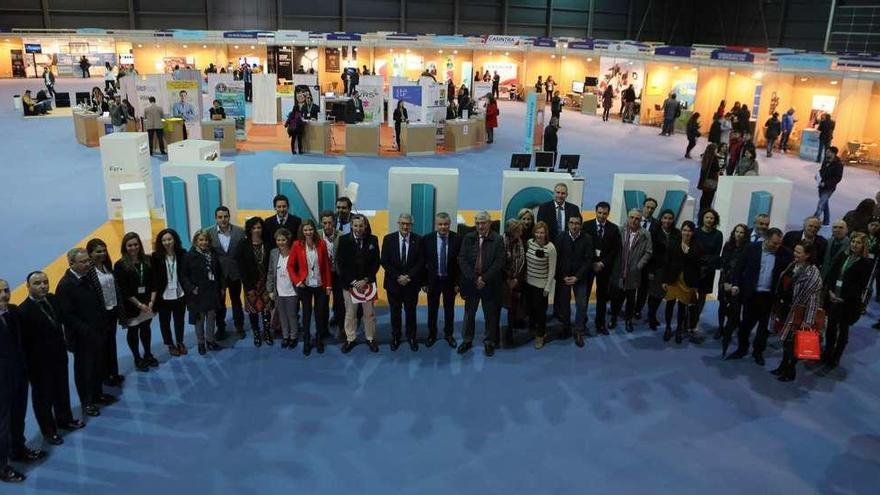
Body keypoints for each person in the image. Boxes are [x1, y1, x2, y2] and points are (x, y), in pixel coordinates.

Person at [19, 272, 86, 446]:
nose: (43, 286)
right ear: (28, 287)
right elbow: (23, 344)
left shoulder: (52, 299)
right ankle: (48, 431)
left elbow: (63, 319)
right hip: (39, 364)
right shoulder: (23, 311)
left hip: (58, 355)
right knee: (43, 398)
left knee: (62, 390)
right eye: (37, 283)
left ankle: (65, 419)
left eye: (45, 282)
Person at [726, 228, 792, 365]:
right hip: (751, 294)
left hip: (768, 296)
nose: (777, 246)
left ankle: (758, 352)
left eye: (779, 243)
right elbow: (739, 268)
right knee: (745, 325)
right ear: (766, 239)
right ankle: (742, 349)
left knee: (763, 328)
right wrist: (735, 284)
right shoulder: (752, 248)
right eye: (774, 243)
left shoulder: (784, 253)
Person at [1, 278, 44, 483]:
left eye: (6, 290)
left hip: (18, 375)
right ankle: (2, 468)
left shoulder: (13, 311)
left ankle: (17, 449)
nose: (4, 295)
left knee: (18, 417)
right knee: (2, 425)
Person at [55, 248, 108, 417]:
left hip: (96, 332)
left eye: (88, 261)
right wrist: (86, 330)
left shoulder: (87, 278)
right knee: (84, 370)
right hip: (81, 337)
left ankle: (97, 394)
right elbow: (65, 315)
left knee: (97, 365)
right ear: (72, 264)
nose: (87, 264)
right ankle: (87, 402)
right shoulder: (65, 286)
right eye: (83, 262)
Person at [772, 242, 823, 382]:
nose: (795, 254)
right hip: (786, 308)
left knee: (792, 343)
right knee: (785, 341)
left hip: (799, 314)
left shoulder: (813, 274)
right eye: (795, 251)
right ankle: (782, 366)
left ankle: (790, 370)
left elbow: (813, 300)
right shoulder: (793, 264)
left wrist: (807, 321)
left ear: (807, 255)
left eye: (799, 252)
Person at [822, 232, 873, 369]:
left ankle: (836, 357)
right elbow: (833, 273)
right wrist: (831, 291)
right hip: (834, 297)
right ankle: (827, 352)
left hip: (848, 302)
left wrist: (843, 298)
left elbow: (860, 286)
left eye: (858, 243)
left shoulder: (865, 263)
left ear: (863, 246)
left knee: (843, 331)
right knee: (831, 327)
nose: (854, 245)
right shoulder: (843, 255)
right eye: (853, 242)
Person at [458, 211, 505, 356]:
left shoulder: (497, 240)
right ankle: (467, 340)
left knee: (490, 314)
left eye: (483, 222)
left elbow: (499, 262)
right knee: (469, 314)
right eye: (477, 223)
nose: (480, 226)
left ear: (490, 223)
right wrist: (474, 278)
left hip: (489, 284)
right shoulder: (468, 237)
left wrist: (484, 279)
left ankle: (489, 342)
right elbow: (462, 259)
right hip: (471, 283)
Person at [336, 214, 380, 353]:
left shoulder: (373, 240)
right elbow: (341, 264)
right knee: (350, 313)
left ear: (365, 226)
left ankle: (370, 338)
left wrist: (366, 280)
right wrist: (354, 282)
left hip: (367, 283)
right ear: (351, 226)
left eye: (361, 225)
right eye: (355, 225)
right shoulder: (343, 240)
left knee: (369, 313)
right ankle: (350, 338)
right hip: (349, 285)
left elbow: (376, 263)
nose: (358, 228)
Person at [114, 233, 158, 372]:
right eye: (130, 245)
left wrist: (151, 301)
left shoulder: (148, 260)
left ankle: (148, 353)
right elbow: (124, 290)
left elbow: (154, 283)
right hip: (131, 306)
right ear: (125, 247)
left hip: (147, 303)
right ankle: (137, 357)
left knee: (146, 329)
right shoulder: (120, 265)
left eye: (136, 244)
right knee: (133, 332)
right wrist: (139, 305)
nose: (133, 247)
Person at [289, 220, 333, 355]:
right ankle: (307, 340)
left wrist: (329, 285)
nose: (308, 232)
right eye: (305, 230)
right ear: (302, 231)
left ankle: (319, 339)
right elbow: (290, 266)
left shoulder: (321, 244)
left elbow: (326, 265)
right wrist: (297, 281)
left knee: (320, 315)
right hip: (305, 286)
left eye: (310, 229)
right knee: (306, 315)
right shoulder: (297, 245)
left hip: (320, 285)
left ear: (314, 230)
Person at [381, 214, 423, 351]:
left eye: (408, 224)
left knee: (411, 312)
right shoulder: (388, 239)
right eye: (403, 223)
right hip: (394, 284)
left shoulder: (418, 240)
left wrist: (408, 277)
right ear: (398, 223)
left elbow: (421, 262)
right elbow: (384, 261)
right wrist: (398, 276)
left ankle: (411, 337)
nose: (405, 226)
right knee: (395, 312)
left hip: (411, 284)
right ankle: (395, 337)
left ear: (412, 225)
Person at [85, 239, 123, 388]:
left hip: (112, 310)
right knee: (101, 346)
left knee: (111, 343)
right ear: (90, 254)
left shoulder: (108, 267)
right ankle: (104, 375)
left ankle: (113, 372)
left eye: (103, 250)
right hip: (100, 314)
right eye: (98, 251)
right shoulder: (89, 272)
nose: (102, 254)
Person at [610, 209, 653, 332]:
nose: (634, 220)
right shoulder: (619, 230)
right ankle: (613, 318)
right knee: (615, 298)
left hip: (634, 274)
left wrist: (639, 265)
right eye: (632, 217)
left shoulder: (645, 234)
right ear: (628, 217)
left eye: (637, 218)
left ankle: (629, 320)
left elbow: (649, 252)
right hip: (619, 271)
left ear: (640, 220)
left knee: (630, 299)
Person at [422, 212, 461, 348]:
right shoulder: (427, 239)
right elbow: (423, 263)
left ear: (449, 224)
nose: (443, 227)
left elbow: (459, 264)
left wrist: (458, 283)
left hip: (450, 282)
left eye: (446, 224)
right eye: (440, 224)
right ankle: (432, 335)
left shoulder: (457, 239)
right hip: (433, 281)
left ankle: (448, 334)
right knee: (432, 310)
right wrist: (424, 282)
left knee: (449, 309)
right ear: (436, 225)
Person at [554, 215, 593, 347]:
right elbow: (557, 259)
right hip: (564, 278)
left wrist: (577, 277)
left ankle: (578, 331)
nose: (574, 226)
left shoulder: (587, 239)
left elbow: (588, 261)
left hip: (580, 278)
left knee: (581, 305)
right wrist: (563, 276)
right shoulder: (560, 237)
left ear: (581, 225)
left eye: (577, 223)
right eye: (571, 223)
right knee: (564, 305)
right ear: (568, 224)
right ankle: (566, 327)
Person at [207, 206, 245, 339]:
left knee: (236, 301)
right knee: (220, 303)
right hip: (218, 276)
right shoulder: (209, 233)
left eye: (225, 216)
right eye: (220, 217)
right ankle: (221, 328)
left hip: (235, 274)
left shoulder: (240, 232)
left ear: (229, 217)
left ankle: (239, 326)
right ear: (216, 218)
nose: (223, 219)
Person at [183, 230, 223, 355]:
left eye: (206, 240)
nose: (204, 242)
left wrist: (221, 287)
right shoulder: (189, 256)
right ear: (195, 241)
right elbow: (183, 276)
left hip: (212, 291)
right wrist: (191, 288)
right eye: (200, 240)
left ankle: (210, 341)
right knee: (199, 320)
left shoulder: (213, 253)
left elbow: (219, 271)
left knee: (211, 317)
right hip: (197, 293)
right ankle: (201, 343)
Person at [662, 221, 702, 343]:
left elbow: (698, 267)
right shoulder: (673, 243)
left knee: (682, 307)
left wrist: (695, 285)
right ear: (681, 231)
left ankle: (679, 329)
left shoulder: (697, 247)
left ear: (693, 232)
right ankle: (668, 328)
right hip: (672, 279)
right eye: (684, 230)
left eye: (689, 230)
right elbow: (666, 263)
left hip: (687, 281)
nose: (686, 233)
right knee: (669, 305)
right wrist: (664, 280)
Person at [584, 202, 621, 334]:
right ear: (596, 211)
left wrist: (602, 263)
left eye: (604, 213)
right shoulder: (586, 226)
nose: (601, 215)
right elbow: (584, 247)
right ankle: (582, 322)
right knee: (585, 295)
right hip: (588, 267)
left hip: (604, 268)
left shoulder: (614, 229)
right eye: (599, 212)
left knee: (602, 297)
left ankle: (600, 323)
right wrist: (592, 263)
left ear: (608, 214)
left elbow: (615, 251)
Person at [152, 229, 187, 357]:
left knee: (179, 320)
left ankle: (180, 342)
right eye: (164, 240)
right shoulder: (156, 257)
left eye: (169, 239)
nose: (167, 242)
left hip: (180, 294)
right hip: (164, 296)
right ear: (160, 242)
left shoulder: (182, 254)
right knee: (164, 322)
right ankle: (170, 344)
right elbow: (154, 278)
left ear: (175, 240)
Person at [238, 216, 272, 347]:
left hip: (265, 283)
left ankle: (267, 332)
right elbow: (241, 267)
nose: (257, 230)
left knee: (266, 309)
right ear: (249, 230)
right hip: (250, 284)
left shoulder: (268, 244)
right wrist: (248, 285)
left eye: (259, 227)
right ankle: (256, 333)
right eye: (254, 228)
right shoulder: (243, 245)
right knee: (253, 310)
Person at [524, 222, 557, 349]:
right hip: (528, 283)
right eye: (537, 232)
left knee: (540, 313)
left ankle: (540, 335)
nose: (539, 235)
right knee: (531, 310)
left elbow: (552, 270)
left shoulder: (550, 248)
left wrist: (547, 287)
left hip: (541, 286)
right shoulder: (529, 243)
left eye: (542, 232)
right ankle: (533, 330)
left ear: (546, 234)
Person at [266, 228, 300, 350]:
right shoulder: (273, 253)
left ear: (288, 240)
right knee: (282, 315)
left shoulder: (294, 252)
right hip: (278, 291)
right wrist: (270, 290)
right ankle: (285, 336)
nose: (281, 242)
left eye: (283, 240)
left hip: (292, 290)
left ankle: (293, 336)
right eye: (278, 240)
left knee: (292, 315)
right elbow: (270, 272)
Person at [718, 224, 749, 353]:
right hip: (725, 280)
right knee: (722, 305)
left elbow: (745, 268)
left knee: (735, 308)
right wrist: (725, 282)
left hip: (738, 283)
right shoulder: (728, 245)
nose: (738, 234)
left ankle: (730, 329)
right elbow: (723, 264)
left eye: (741, 232)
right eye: (737, 231)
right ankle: (720, 329)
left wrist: (736, 284)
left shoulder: (748, 248)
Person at [645, 210, 679, 330]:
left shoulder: (677, 233)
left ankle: (652, 315)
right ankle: (651, 316)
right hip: (656, 269)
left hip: (669, 270)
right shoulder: (654, 232)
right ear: (661, 219)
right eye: (665, 218)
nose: (667, 221)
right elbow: (650, 253)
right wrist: (651, 271)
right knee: (654, 294)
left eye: (670, 218)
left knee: (661, 295)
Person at [693, 209, 723, 338]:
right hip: (694, 268)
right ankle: (687, 319)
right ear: (702, 218)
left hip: (708, 270)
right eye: (707, 217)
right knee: (690, 294)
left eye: (712, 218)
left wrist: (706, 263)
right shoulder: (695, 232)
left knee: (702, 296)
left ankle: (695, 320)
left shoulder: (718, 234)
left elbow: (716, 254)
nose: (709, 220)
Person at [500, 219, 526, 346]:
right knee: (499, 305)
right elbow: (500, 263)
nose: (521, 233)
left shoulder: (520, 242)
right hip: (503, 281)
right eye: (519, 231)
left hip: (516, 280)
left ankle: (509, 331)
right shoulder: (501, 242)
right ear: (513, 231)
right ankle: (495, 331)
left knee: (513, 307)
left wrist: (516, 279)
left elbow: (522, 262)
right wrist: (508, 278)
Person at [319, 211, 344, 340]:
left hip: (338, 275)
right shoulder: (316, 235)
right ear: (321, 223)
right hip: (322, 276)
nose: (328, 225)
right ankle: (323, 330)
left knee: (340, 303)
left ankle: (342, 329)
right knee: (323, 304)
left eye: (330, 222)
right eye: (325, 223)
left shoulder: (341, 235)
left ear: (334, 222)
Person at [814, 146, 843, 226]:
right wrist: (818, 175)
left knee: (821, 204)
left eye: (828, 151)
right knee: (824, 203)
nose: (827, 152)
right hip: (821, 186)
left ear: (833, 153)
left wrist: (826, 183)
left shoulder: (839, 165)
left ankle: (813, 220)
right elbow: (822, 170)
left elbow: (837, 178)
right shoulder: (826, 160)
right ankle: (826, 221)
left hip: (829, 188)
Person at [697, 143, 721, 211]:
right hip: (711, 181)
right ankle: (706, 210)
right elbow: (717, 169)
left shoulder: (705, 157)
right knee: (709, 198)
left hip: (704, 181)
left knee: (704, 196)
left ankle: (701, 210)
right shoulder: (714, 158)